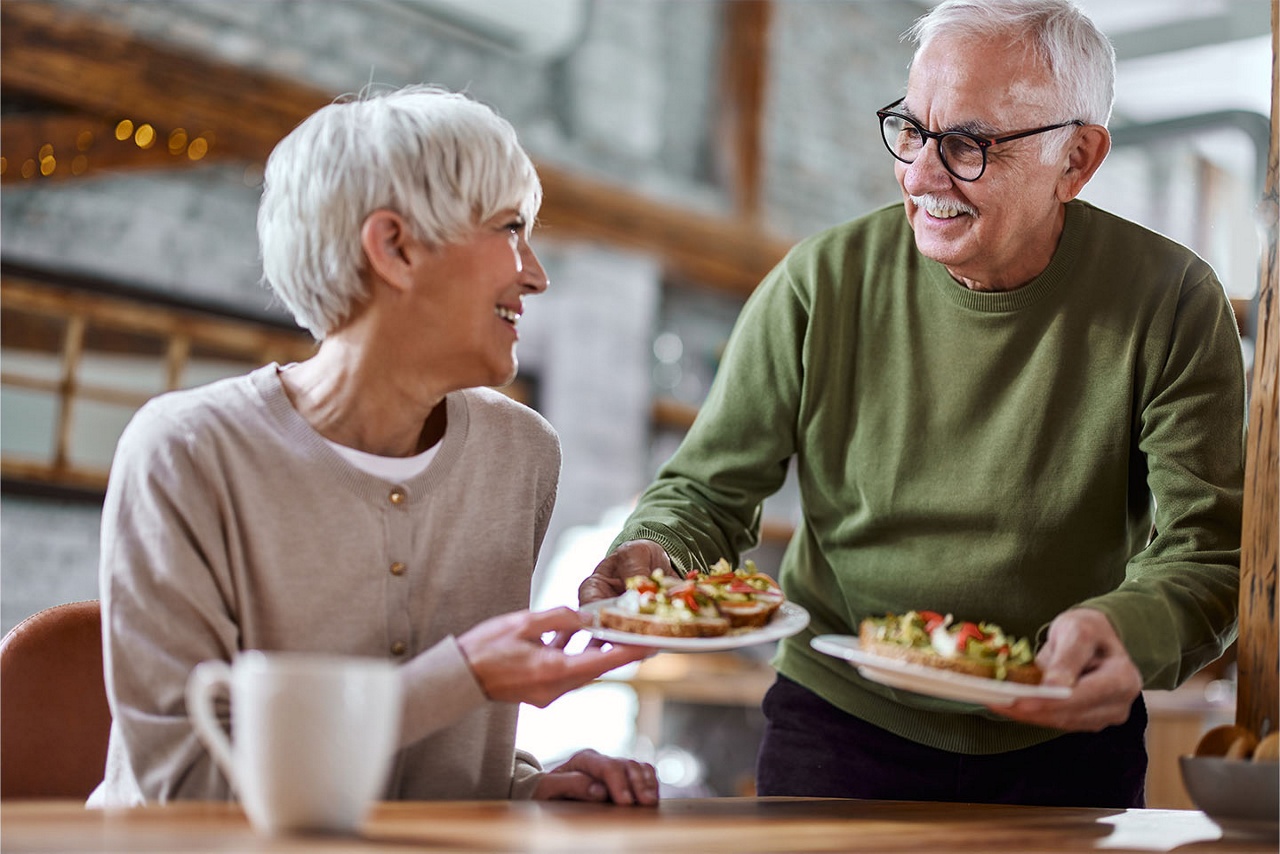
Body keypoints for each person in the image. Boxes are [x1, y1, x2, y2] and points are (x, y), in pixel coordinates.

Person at [580, 0, 1245, 808]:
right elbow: (705, 492)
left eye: (969, 144)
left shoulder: (1171, 301)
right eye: (912, 130)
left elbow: (1207, 552)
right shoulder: (818, 282)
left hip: (1064, 739)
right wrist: (652, 555)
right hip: (838, 728)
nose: (922, 174)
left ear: (1077, 159)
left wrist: (1131, 634)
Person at [92, 85, 657, 807]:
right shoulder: (185, 453)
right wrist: (463, 676)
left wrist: (520, 783)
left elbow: (431, 753)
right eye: (511, 229)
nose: (535, 275)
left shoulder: (521, 456)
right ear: (393, 247)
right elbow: (185, 792)